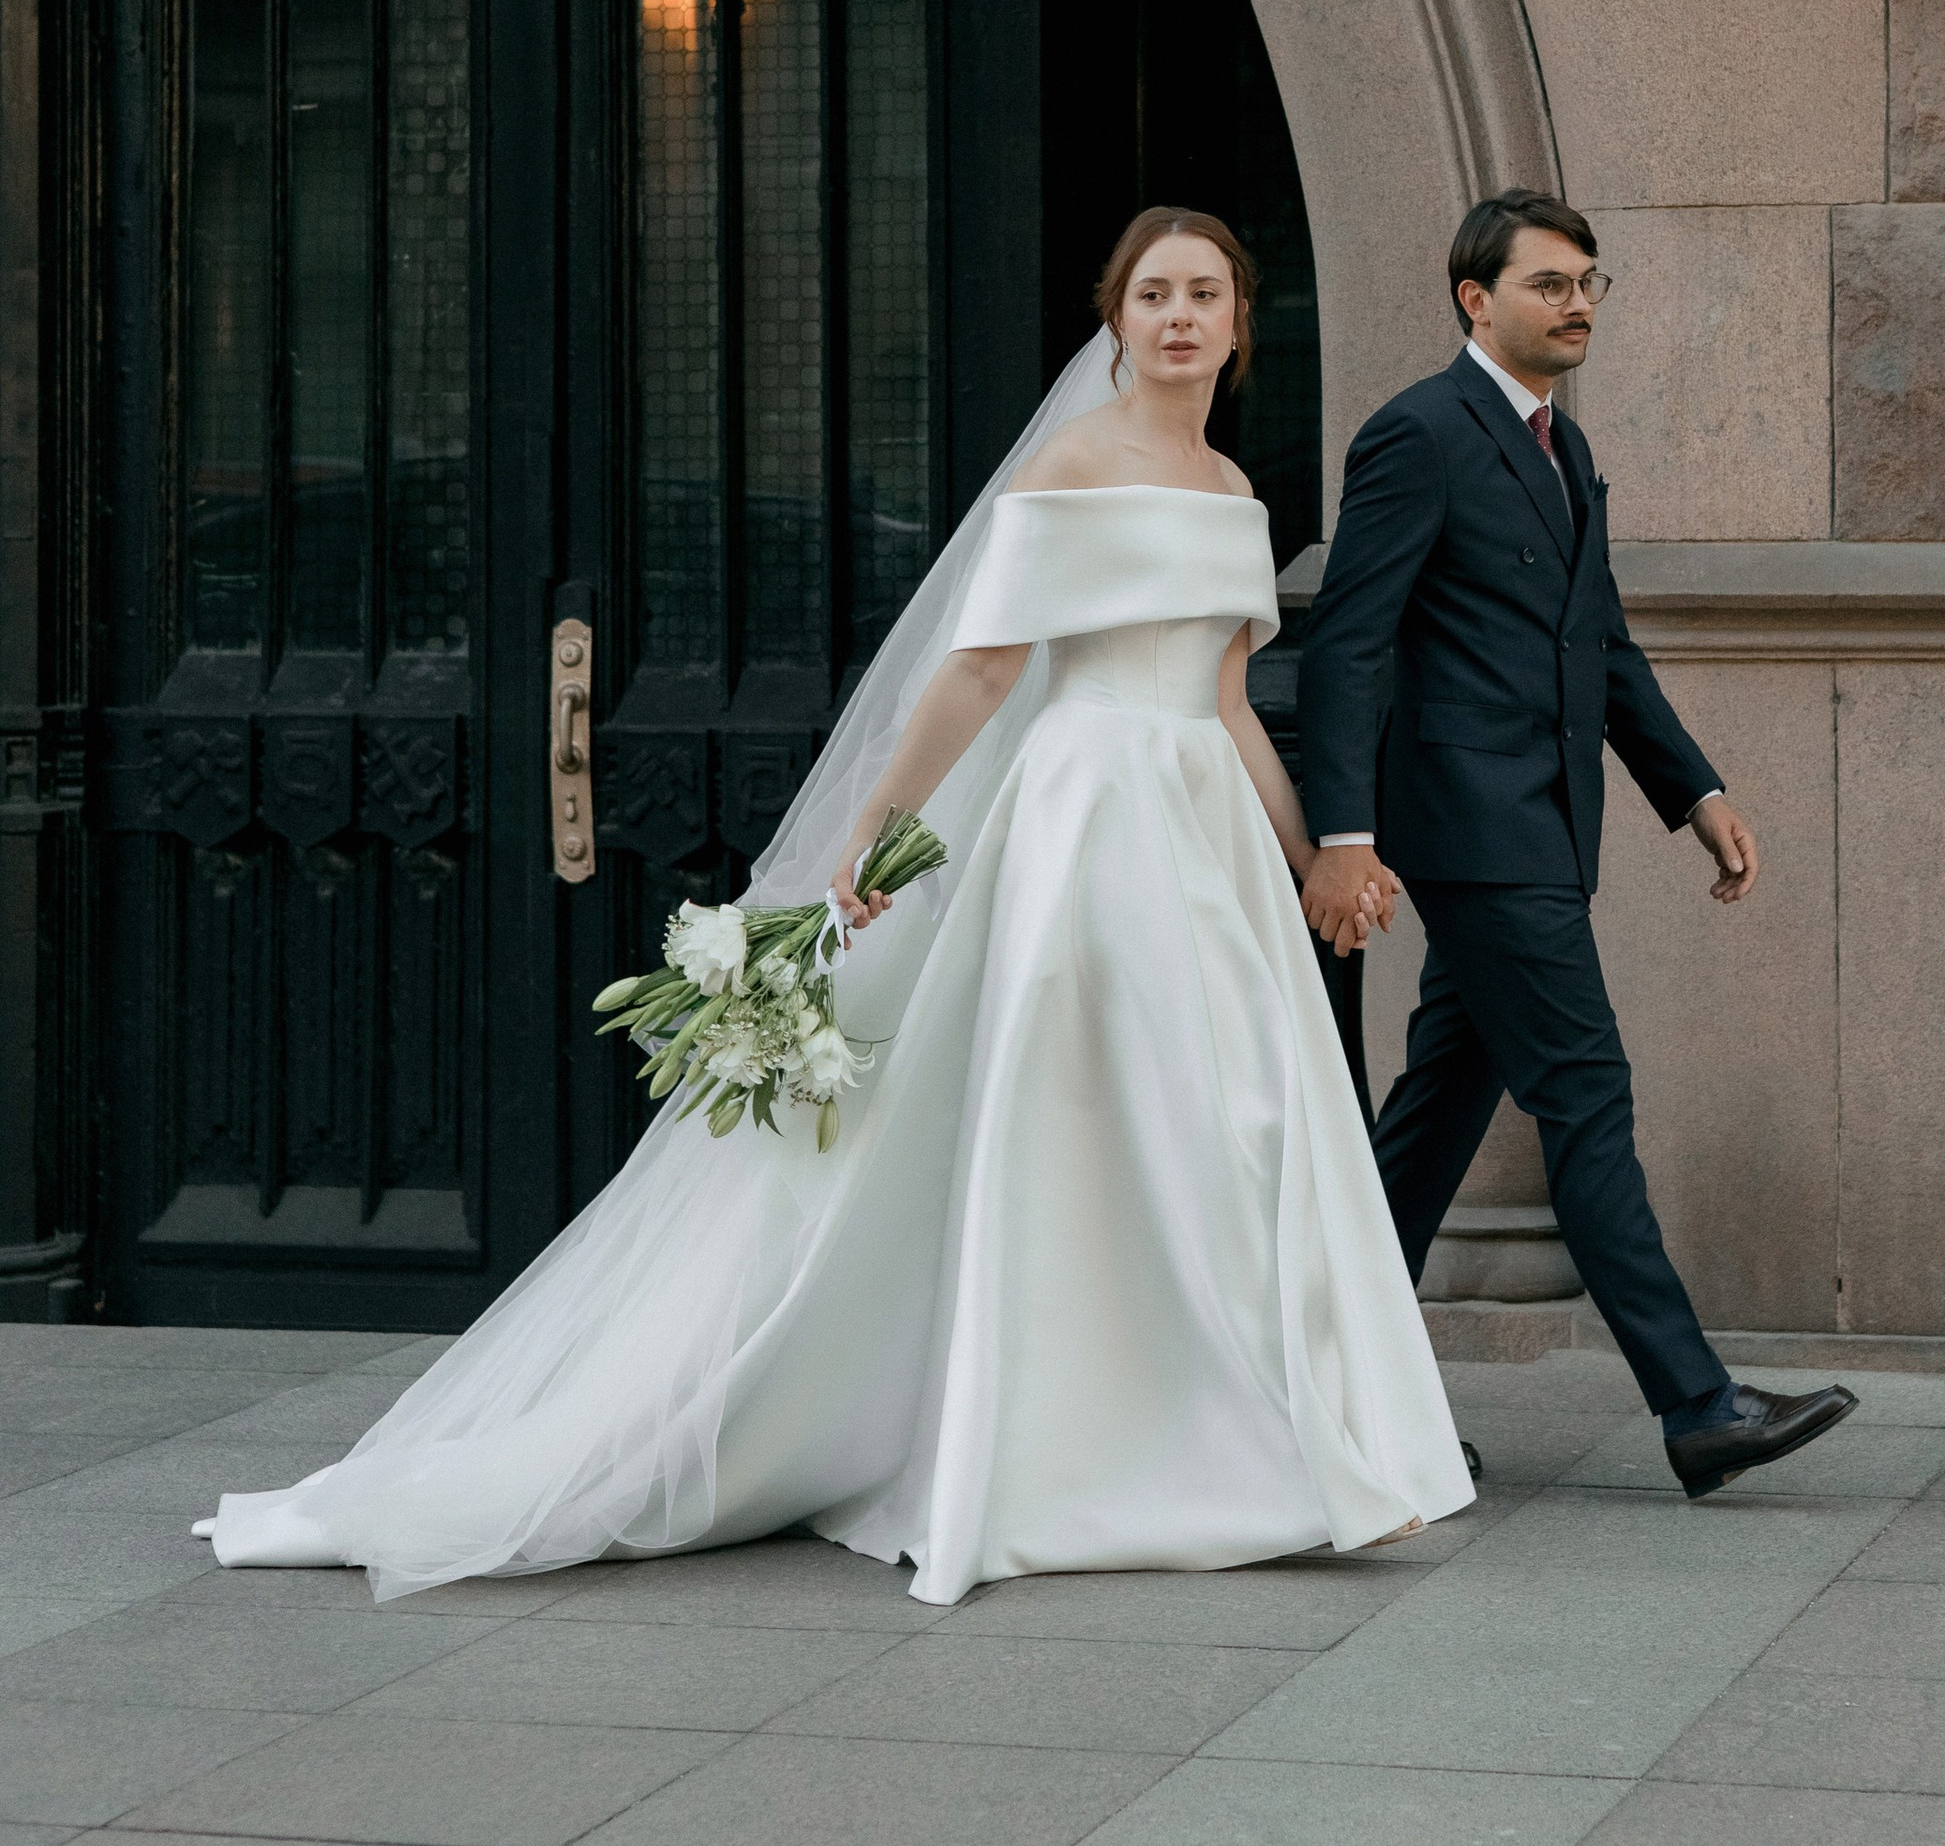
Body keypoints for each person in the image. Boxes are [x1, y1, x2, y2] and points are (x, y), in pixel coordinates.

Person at [195, 208, 1472, 1605]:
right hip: (1086, 820)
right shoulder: (1070, 464)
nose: (1180, 316)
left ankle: (1253, 1436)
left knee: (1233, 1117)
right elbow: (985, 671)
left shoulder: (1234, 488)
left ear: (1238, 324)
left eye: (1205, 295)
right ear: (1117, 319)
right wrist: (885, 817)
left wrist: (1309, 862)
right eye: (1154, 293)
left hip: (1200, 828)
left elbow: (1226, 704)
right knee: (1127, 1110)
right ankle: (1118, 1450)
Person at [1296, 189, 1856, 1500]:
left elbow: (1597, 641)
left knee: (1433, 1120)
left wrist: (1692, 790)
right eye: (1551, 283)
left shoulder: (1563, 447)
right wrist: (1342, 832)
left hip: (1550, 825)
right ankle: (1697, 1403)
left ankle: (1316, 1383)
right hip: (1473, 832)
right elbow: (1351, 640)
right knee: (1587, 1097)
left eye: (1593, 282)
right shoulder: (1418, 435)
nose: (1581, 303)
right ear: (1472, 298)